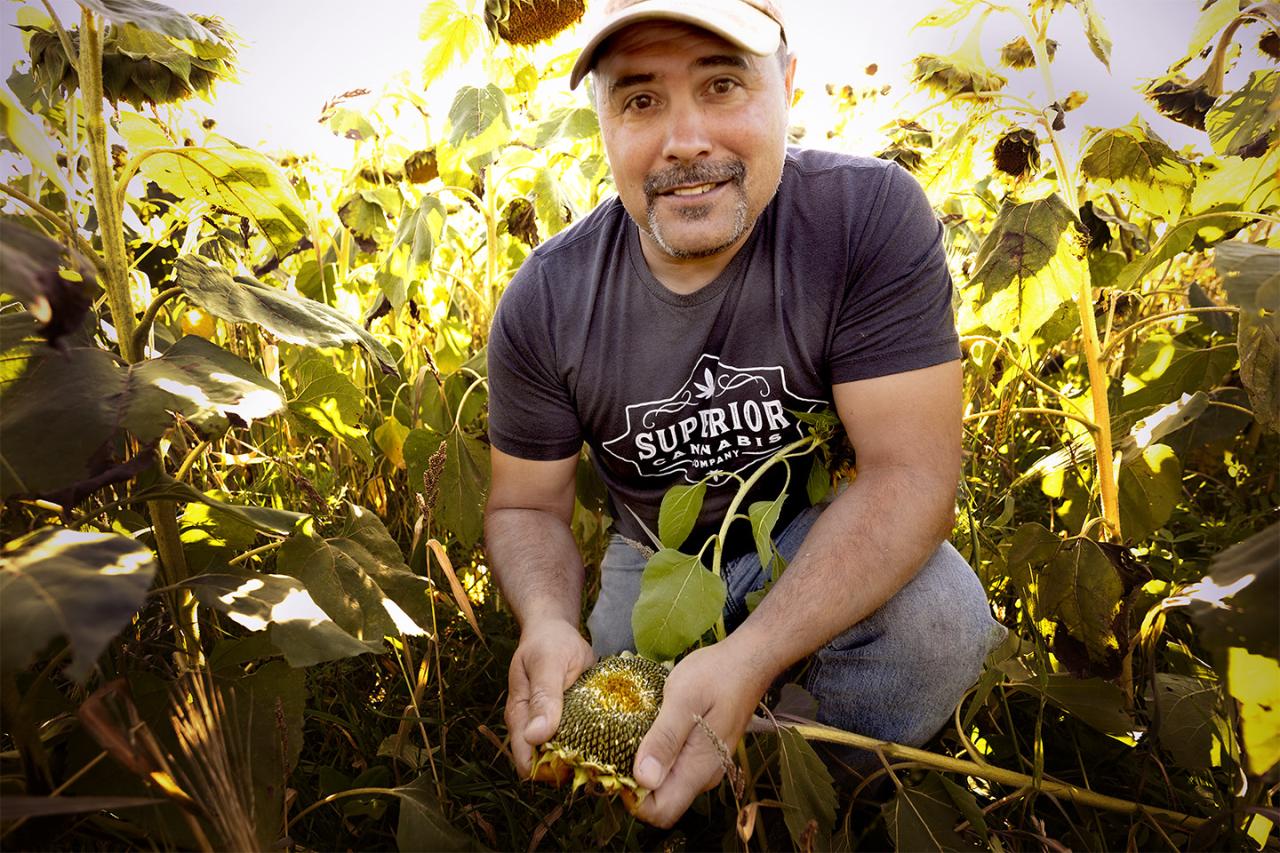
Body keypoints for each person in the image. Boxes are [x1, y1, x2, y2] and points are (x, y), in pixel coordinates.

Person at [484, 0, 1007, 829]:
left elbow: (910, 477)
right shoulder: (545, 300)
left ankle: (809, 789)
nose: (685, 140)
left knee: (939, 622)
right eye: (641, 100)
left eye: (722, 84)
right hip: (654, 559)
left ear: (788, 86)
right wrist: (546, 621)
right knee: (611, 724)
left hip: (808, 533)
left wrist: (751, 656)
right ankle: (721, 772)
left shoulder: (864, 219)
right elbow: (524, 506)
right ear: (603, 121)